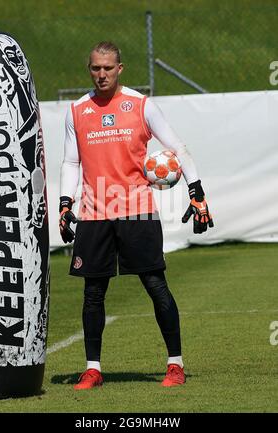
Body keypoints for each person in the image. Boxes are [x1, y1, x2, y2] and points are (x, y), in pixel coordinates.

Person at [59, 41, 213, 390]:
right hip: (94, 214)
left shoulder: (142, 106)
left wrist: (197, 192)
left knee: (156, 286)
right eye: (96, 68)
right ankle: (93, 369)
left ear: (120, 69)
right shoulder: (77, 111)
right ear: (90, 69)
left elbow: (178, 149)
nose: (102, 74)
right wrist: (65, 204)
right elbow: (71, 162)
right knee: (93, 293)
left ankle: (175, 365)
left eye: (108, 68)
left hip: (137, 211)